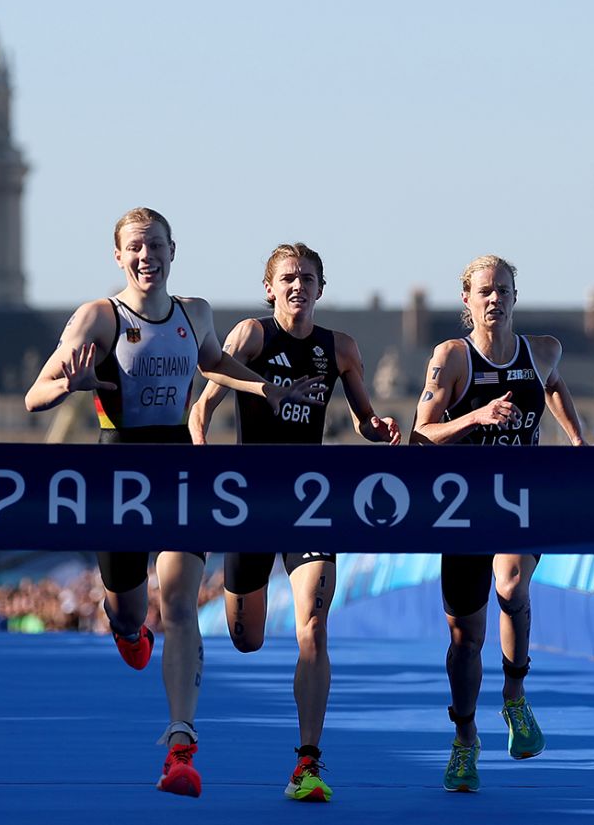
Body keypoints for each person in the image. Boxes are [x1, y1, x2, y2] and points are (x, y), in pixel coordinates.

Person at [24, 208, 325, 798]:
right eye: (135, 247)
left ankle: (181, 747)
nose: (146, 257)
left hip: (181, 476)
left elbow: (214, 361)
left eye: (156, 245)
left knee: (182, 606)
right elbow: (35, 396)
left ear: (172, 250)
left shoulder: (195, 313)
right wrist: (71, 386)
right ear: (119, 256)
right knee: (132, 611)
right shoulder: (98, 317)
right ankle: (126, 629)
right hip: (122, 476)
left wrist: (266, 385)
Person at [188, 242, 401, 802]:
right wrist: (205, 457)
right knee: (248, 639)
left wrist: (378, 428)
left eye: (307, 278)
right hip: (252, 504)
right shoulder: (250, 338)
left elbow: (361, 419)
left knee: (313, 624)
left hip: (310, 503)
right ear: (269, 288)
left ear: (321, 289)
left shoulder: (341, 349)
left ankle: (308, 762)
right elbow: (200, 408)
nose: (297, 286)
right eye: (287, 278)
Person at [411, 254, 585, 792]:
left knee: (513, 581)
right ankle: (465, 738)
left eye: (503, 290)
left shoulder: (542, 350)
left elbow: (553, 383)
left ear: (515, 296)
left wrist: (577, 440)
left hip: (520, 502)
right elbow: (422, 433)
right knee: (466, 639)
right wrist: (475, 418)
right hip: (461, 510)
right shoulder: (453, 358)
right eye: (484, 291)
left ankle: (515, 698)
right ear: (467, 300)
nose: (494, 299)